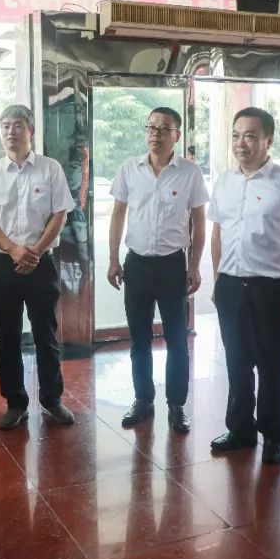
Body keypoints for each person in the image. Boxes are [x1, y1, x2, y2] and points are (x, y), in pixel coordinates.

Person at [207, 108, 280, 464]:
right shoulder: (224, 181)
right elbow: (218, 233)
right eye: (236, 135)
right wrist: (218, 278)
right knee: (236, 362)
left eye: (250, 135)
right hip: (231, 285)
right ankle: (240, 429)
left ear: (269, 140)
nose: (241, 143)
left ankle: (273, 436)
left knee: (271, 366)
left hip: (271, 289)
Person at [0, 104, 76, 430]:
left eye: (17, 125)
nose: (10, 131)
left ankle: (52, 399)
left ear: (31, 130)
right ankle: (16, 403)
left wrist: (35, 251)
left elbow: (60, 214)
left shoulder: (50, 168)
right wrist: (14, 249)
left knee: (45, 333)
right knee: (8, 335)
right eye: (5, 125)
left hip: (41, 262)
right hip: (3, 263)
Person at [108, 107, 208, 434]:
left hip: (171, 266)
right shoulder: (129, 169)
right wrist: (113, 259)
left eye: (164, 128)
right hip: (136, 264)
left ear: (176, 135)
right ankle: (143, 399)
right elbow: (118, 215)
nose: (156, 134)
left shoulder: (190, 173)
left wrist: (194, 265)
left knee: (176, 339)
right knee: (139, 339)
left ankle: (177, 405)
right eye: (151, 127)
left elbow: (199, 222)